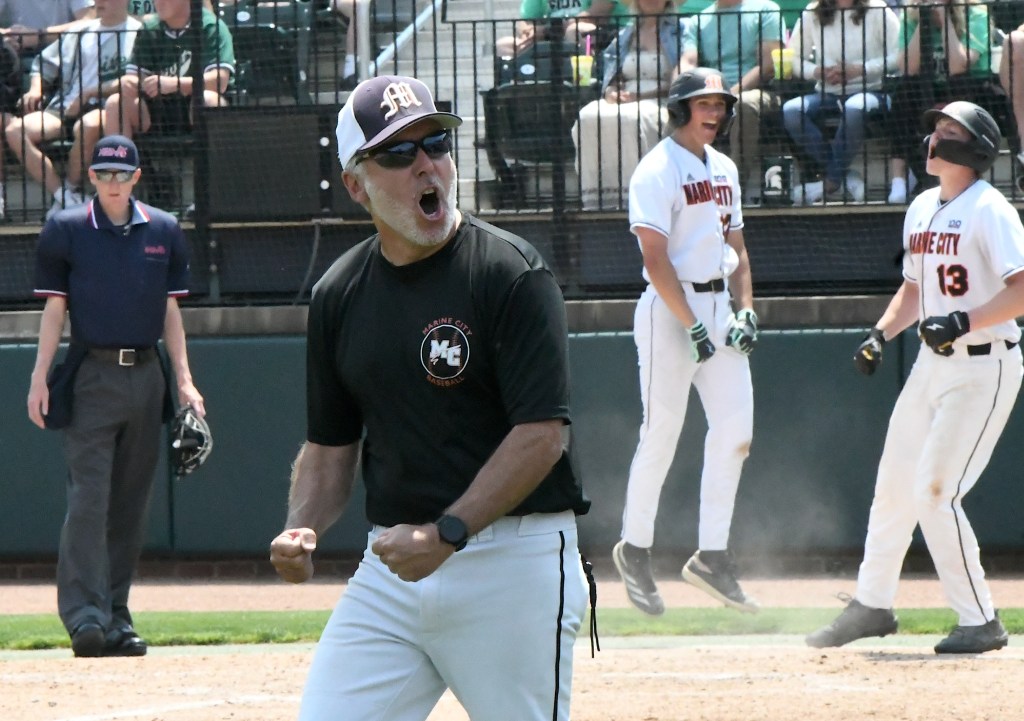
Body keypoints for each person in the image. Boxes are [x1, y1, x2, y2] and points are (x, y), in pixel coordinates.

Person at [269, 75, 592, 720]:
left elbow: (541, 435)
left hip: (510, 562)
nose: (427, 164)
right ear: (356, 184)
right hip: (391, 569)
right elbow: (331, 446)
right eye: (399, 153)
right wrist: (301, 525)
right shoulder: (339, 293)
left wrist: (448, 532)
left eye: (437, 143)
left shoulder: (510, 273)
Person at [807, 101, 1024, 654]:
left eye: (949, 132)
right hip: (933, 366)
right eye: (934, 129)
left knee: (935, 494)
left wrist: (964, 319)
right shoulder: (924, 206)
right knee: (893, 487)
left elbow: (1021, 288)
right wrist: (880, 333)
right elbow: (913, 288)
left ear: (974, 148)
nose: (934, 137)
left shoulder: (991, 209)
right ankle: (872, 604)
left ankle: (981, 620)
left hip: (983, 364)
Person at [26, 133, 205, 658]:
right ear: (93, 178)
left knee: (130, 502)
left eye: (120, 174)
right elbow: (54, 309)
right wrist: (40, 376)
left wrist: (185, 379)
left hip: (147, 374)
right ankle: (84, 615)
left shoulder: (164, 230)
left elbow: (172, 311)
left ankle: (116, 614)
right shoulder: (65, 229)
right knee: (89, 498)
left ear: (136, 177)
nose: (111, 182)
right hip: (92, 372)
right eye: (103, 173)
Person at [611, 67, 759, 617]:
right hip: (669, 309)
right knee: (663, 432)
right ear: (680, 108)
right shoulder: (656, 169)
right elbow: (654, 257)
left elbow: (737, 248)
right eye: (704, 103)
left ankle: (712, 557)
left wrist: (745, 311)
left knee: (737, 431)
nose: (715, 112)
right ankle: (636, 549)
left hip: (719, 306)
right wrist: (690, 323)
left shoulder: (723, 168)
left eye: (721, 103)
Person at [5, 0, 141, 221]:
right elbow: (44, 64)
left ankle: (72, 187)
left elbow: (133, 81)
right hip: (64, 105)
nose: (100, 2)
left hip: (102, 105)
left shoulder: (139, 33)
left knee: (89, 124)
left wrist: (88, 95)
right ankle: (65, 197)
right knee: (14, 131)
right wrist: (36, 89)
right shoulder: (80, 30)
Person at [571, 0, 686, 209]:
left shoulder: (681, 31)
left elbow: (680, 80)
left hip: (661, 97)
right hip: (626, 96)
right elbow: (611, 74)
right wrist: (611, 91)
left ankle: (638, 195)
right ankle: (599, 197)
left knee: (632, 118)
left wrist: (642, 95)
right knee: (589, 115)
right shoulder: (626, 35)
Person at [785, 0, 900, 203]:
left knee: (854, 107)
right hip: (826, 92)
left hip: (873, 90)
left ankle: (830, 180)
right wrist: (816, 72)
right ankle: (842, 177)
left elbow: (899, 56)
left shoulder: (878, 9)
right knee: (791, 110)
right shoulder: (812, 12)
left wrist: (861, 69)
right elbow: (793, 58)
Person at [886, 0, 999, 204]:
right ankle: (899, 179)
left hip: (969, 87)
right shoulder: (910, 14)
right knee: (903, 92)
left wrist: (945, 20)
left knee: (960, 86)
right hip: (924, 88)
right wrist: (924, 19)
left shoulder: (975, 13)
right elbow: (908, 67)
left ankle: (965, 170)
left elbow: (958, 65)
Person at [680, 0, 785, 203]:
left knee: (743, 105)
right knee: (677, 110)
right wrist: (684, 89)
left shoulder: (766, 9)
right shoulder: (697, 21)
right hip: (711, 95)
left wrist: (729, 95)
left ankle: (733, 190)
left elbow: (768, 65)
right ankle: (680, 191)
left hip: (758, 91)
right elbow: (688, 62)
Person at [102, 0, 234, 143]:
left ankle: (210, 164)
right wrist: (132, 82)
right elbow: (136, 76)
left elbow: (220, 81)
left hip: (194, 106)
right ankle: (120, 165)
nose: (159, 2)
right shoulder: (150, 27)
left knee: (207, 98)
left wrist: (176, 84)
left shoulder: (210, 26)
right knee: (116, 103)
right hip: (158, 112)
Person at [0, 0, 95, 57]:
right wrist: (4, 35)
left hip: (64, 54)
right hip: (16, 55)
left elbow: (88, 22)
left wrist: (39, 36)